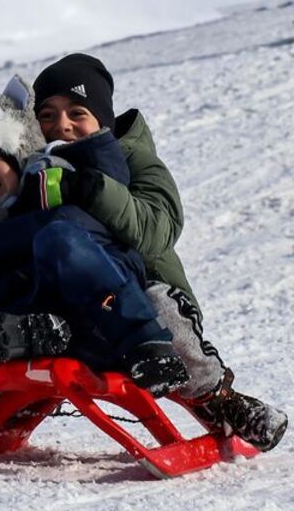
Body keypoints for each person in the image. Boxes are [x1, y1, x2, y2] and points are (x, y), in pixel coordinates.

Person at [23, 53, 286, 451]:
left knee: (157, 305)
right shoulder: (35, 176)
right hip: (73, 313)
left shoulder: (135, 160)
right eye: (48, 114)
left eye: (77, 112)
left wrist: (89, 187)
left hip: (146, 301)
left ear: (103, 121)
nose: (62, 125)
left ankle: (218, 399)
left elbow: (155, 231)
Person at [0, 77, 190, 434]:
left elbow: (68, 231)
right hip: (30, 336)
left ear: (21, 157)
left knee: (57, 238)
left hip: (100, 327)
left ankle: (147, 342)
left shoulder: (54, 185)